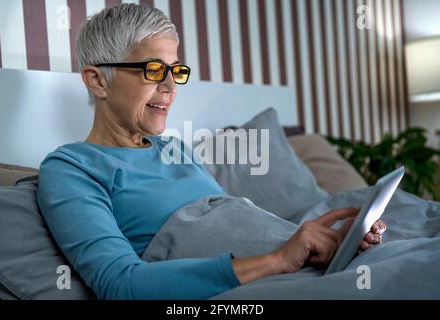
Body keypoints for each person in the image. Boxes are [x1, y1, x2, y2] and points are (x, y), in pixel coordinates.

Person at [37, 3, 386, 300]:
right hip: (264, 284)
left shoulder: (175, 149)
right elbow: (120, 285)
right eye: (154, 70)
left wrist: (326, 243)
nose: (171, 86)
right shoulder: (72, 168)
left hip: (295, 271)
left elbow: (237, 228)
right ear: (98, 80)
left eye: (175, 71)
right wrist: (280, 258)